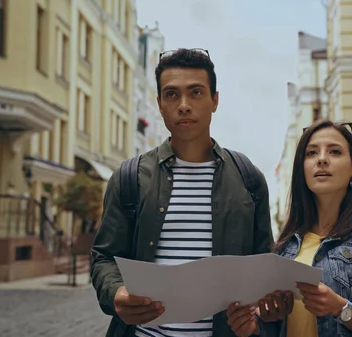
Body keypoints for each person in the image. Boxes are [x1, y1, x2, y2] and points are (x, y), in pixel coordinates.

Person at [91, 48, 280, 337]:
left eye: (195, 92)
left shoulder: (249, 179)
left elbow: (262, 267)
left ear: (215, 100)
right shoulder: (129, 178)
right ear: (159, 104)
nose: (183, 105)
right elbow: (104, 258)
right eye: (171, 94)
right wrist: (117, 293)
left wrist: (261, 313)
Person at [227, 120, 352, 337]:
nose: (322, 159)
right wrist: (257, 326)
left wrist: (342, 309)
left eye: (334, 151)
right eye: (312, 153)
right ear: (301, 169)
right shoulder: (287, 245)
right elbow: (286, 327)